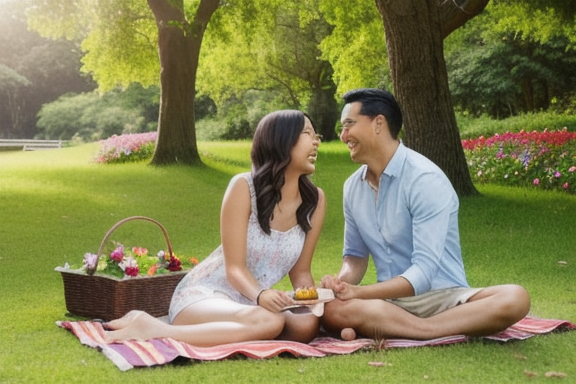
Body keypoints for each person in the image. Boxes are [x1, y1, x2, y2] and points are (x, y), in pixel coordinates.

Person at [321, 88, 530, 341]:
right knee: (330, 309)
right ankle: (424, 328)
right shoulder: (352, 187)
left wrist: (360, 294)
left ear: (378, 123)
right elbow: (354, 258)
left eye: (349, 125)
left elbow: (423, 272)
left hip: (443, 299)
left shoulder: (424, 179)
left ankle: (423, 330)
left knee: (515, 298)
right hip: (388, 304)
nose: (343, 136)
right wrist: (341, 285)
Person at [105, 110, 326, 346]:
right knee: (270, 322)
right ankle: (151, 328)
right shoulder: (243, 187)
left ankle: (221, 331)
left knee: (305, 326)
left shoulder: (315, 200)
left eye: (316, 136)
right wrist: (261, 295)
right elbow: (234, 269)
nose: (315, 142)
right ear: (281, 140)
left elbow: (301, 273)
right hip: (206, 294)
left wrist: (312, 301)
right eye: (307, 133)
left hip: (251, 305)